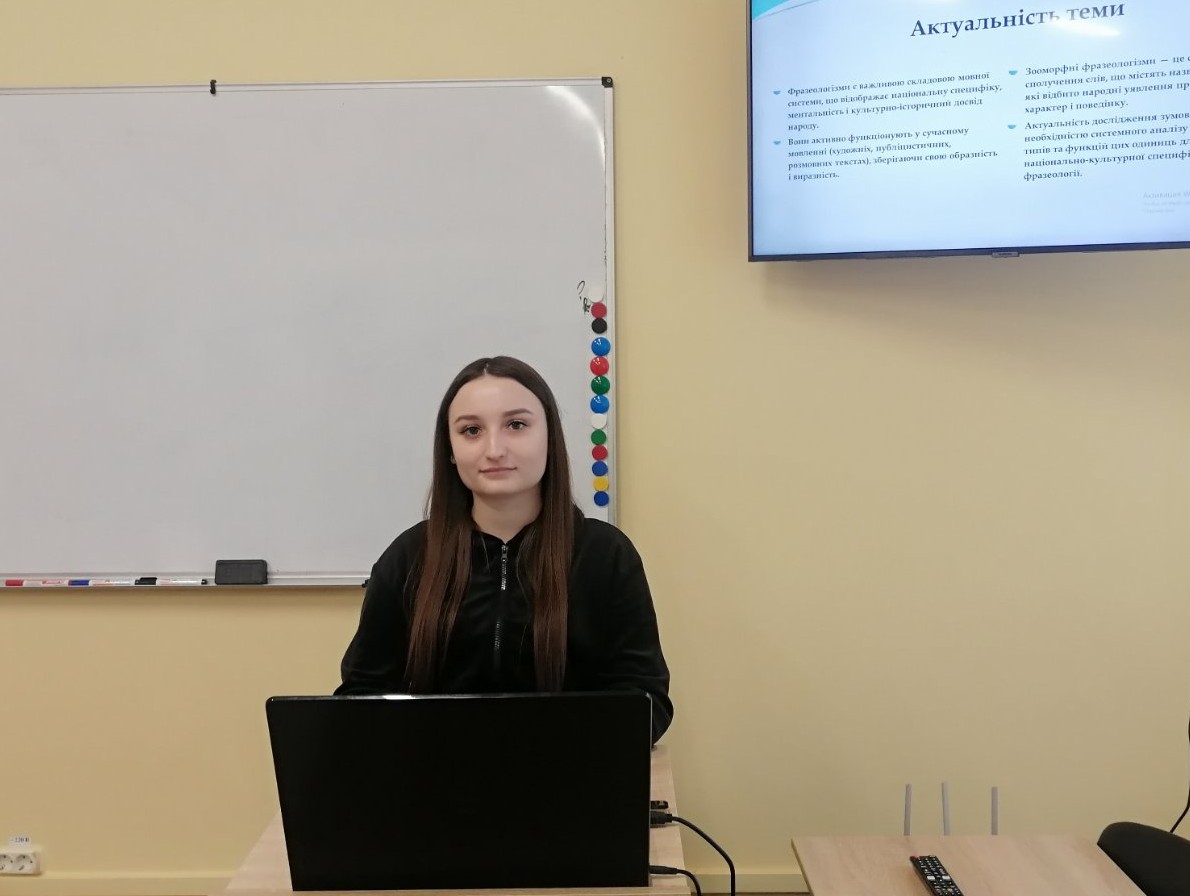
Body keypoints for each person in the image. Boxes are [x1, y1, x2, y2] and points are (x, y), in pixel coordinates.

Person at [335, 355, 673, 743]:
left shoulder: (606, 555)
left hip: (568, 770)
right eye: (471, 430)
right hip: (436, 774)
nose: (494, 449)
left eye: (516, 425)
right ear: (450, 449)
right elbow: (361, 696)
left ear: (550, 437)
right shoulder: (408, 557)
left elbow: (645, 700)